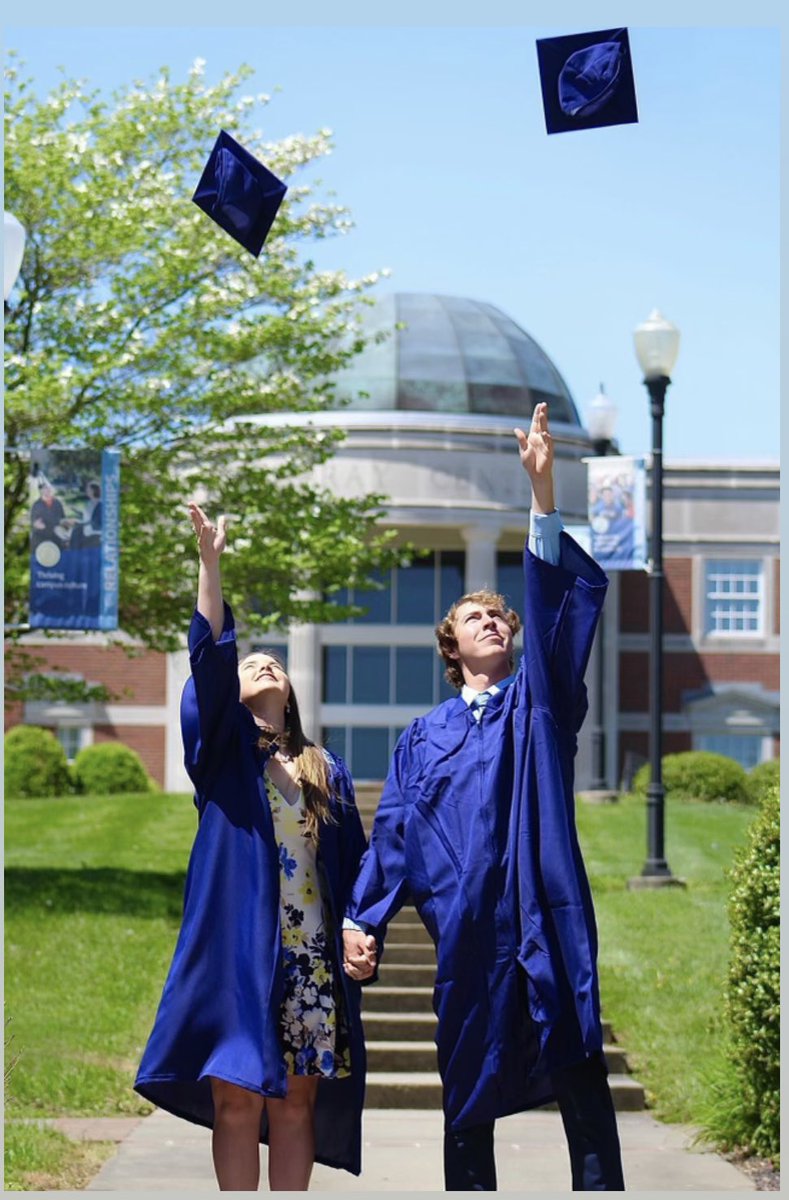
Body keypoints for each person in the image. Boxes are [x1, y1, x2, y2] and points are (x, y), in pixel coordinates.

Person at [343, 402, 625, 1191]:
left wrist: (542, 495)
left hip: (541, 904)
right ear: (451, 646)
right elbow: (394, 834)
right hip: (466, 923)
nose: (493, 621)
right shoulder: (422, 737)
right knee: (466, 1078)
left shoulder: (540, 700)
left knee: (576, 1058)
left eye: (500, 615)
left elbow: (557, 612)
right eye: (475, 617)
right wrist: (362, 919)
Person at [134, 502, 374, 1191]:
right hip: (236, 952)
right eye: (252, 663)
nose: (265, 664)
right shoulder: (223, 755)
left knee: (295, 1102)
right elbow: (209, 657)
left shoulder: (325, 769)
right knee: (236, 1100)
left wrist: (361, 926)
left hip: (308, 956)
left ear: (291, 693)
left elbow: (356, 864)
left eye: (275, 664)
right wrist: (209, 566)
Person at [30, 482, 69, 549]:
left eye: (49, 488)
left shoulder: (57, 503)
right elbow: (34, 522)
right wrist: (36, 524)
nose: (48, 490)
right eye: (45, 488)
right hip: (42, 540)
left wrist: (65, 529)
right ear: (41, 490)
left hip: (57, 539)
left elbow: (63, 520)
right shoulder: (36, 505)